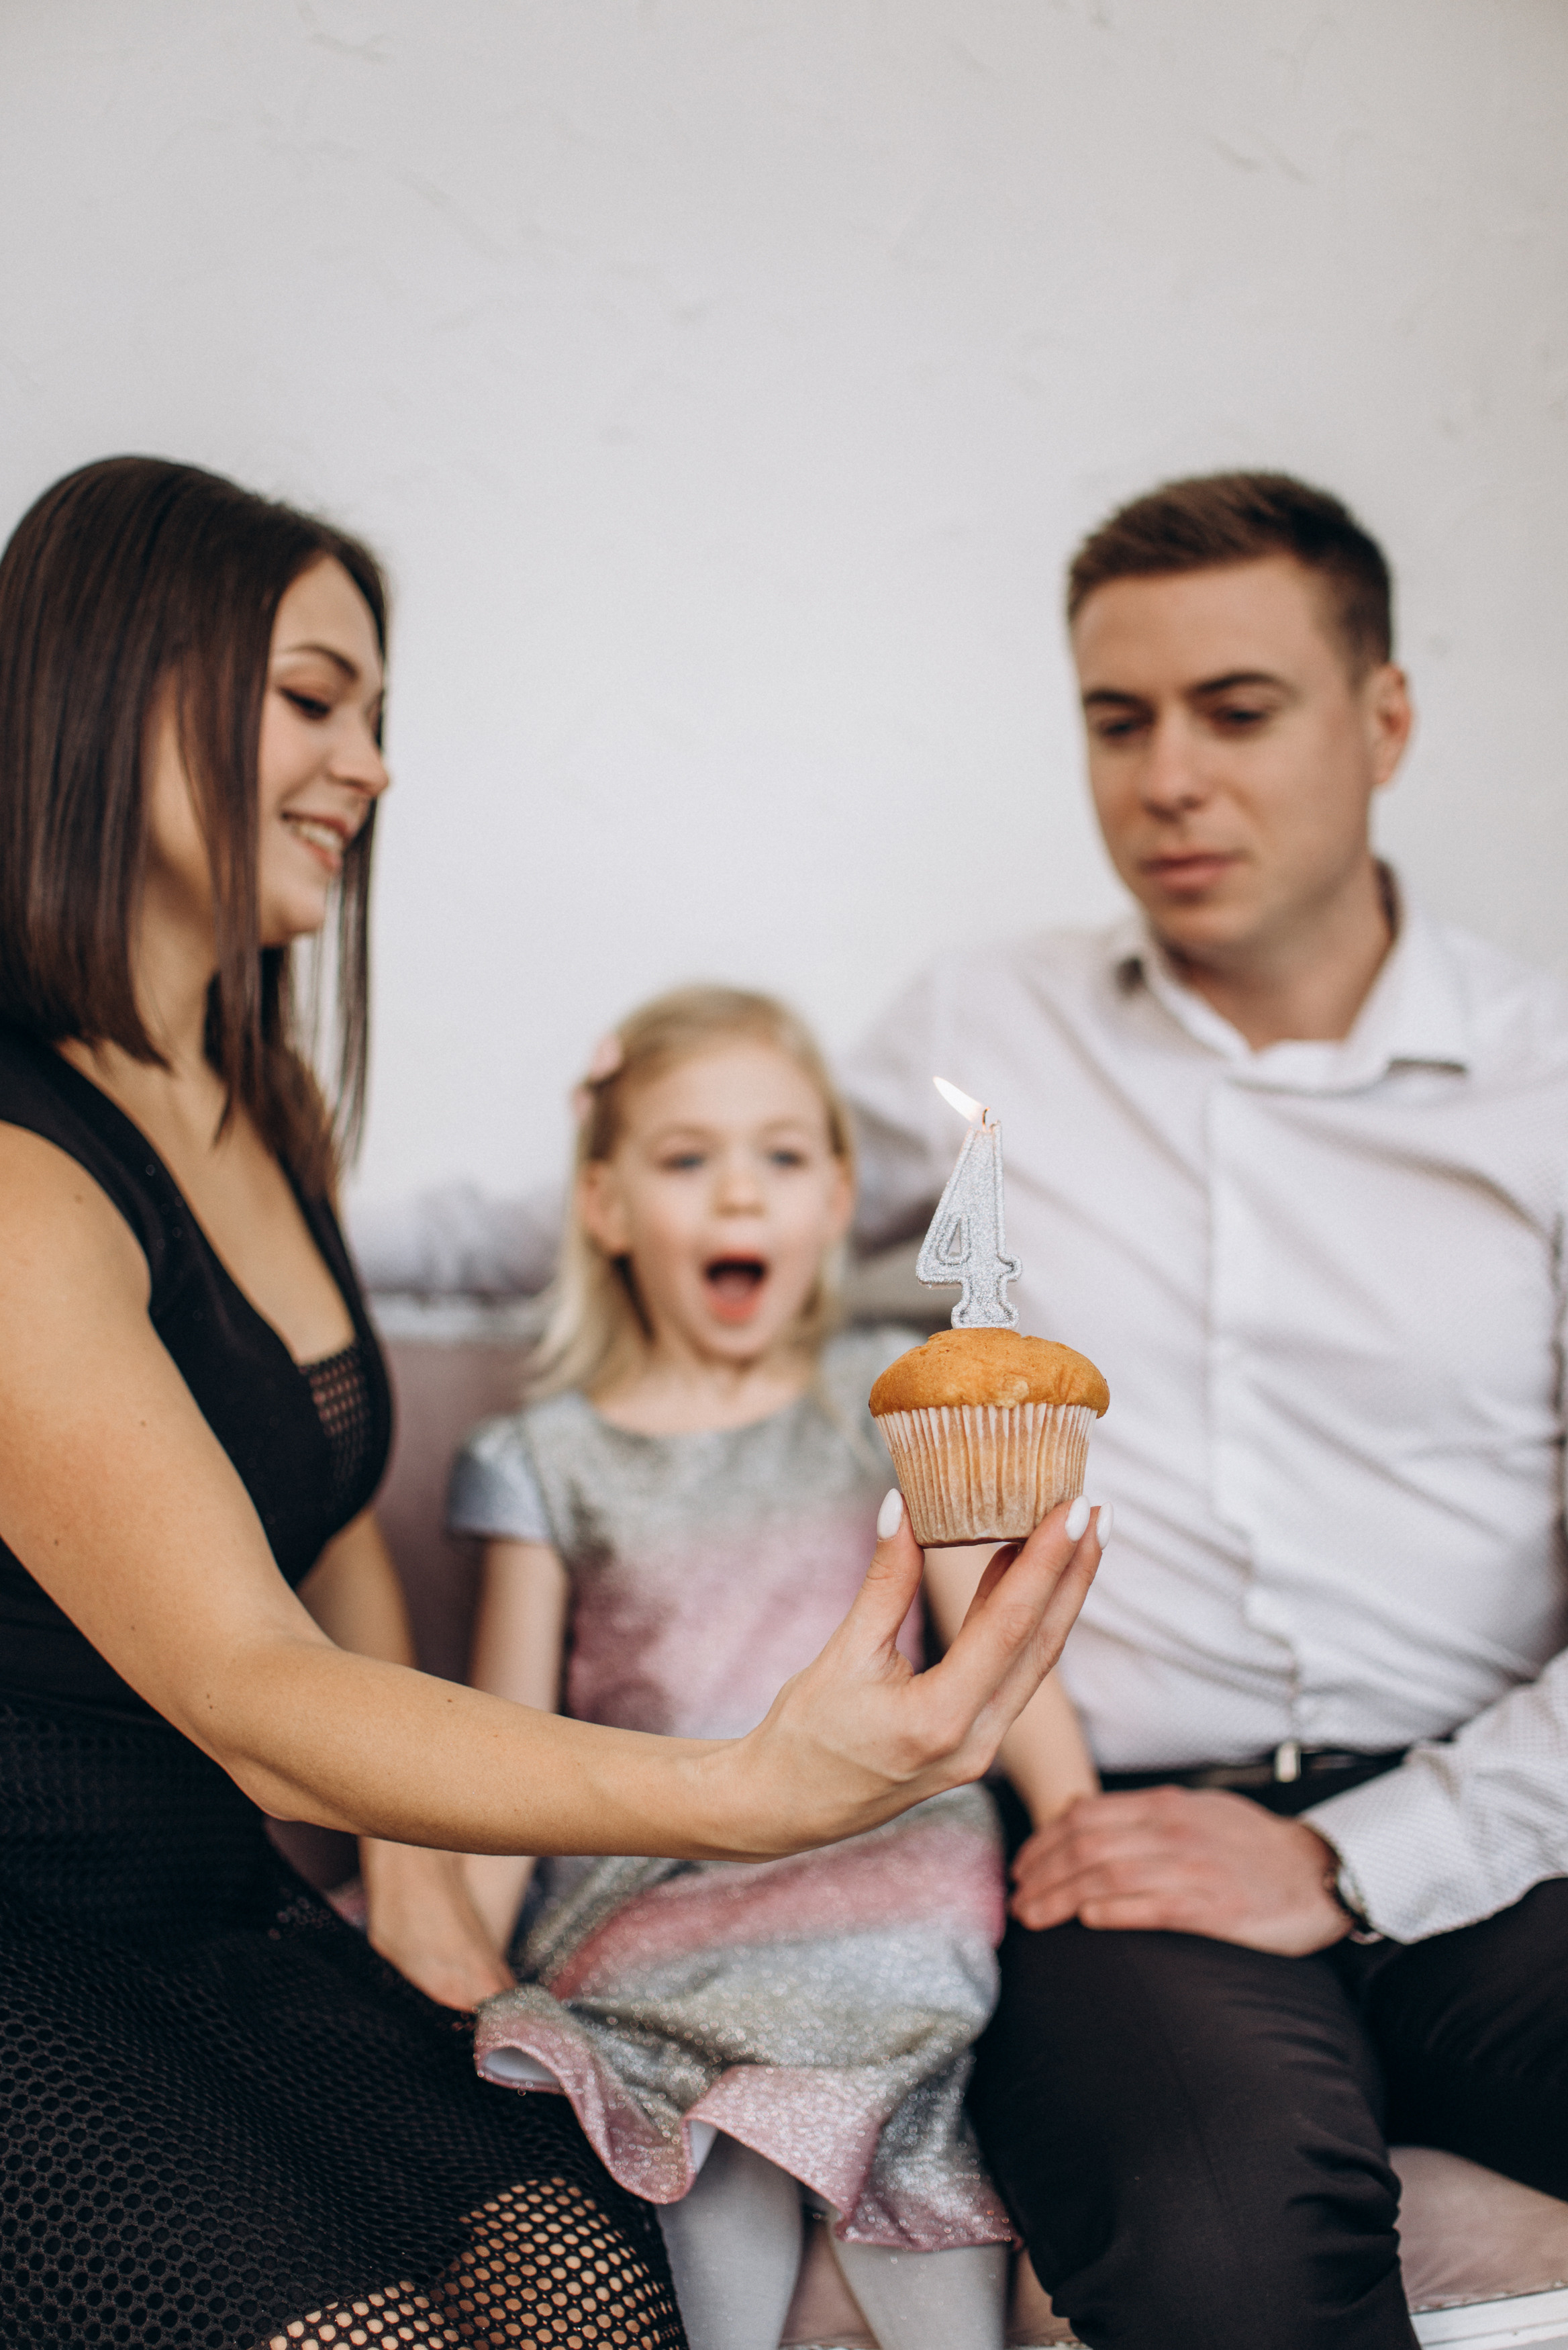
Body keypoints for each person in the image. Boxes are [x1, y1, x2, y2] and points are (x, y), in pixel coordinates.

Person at [0, 456, 1106, 2350]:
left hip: (224, 1926)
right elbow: (256, 1693)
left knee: (596, 2309)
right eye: (316, 698)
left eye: (380, 711)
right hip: (35, 1966)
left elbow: (329, 1517)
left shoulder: (261, 1101)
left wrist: (426, 1884)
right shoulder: (21, 1176)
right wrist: (754, 1787)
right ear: (121, 683)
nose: (373, 761)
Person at [838, 471, 1568, 2349]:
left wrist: (1357, 1853)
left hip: (1508, 1818)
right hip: (1123, 1845)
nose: (1168, 776)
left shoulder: (1546, 1082)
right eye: (1118, 718)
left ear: (1383, 720)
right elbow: (695, 1176)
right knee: (1219, 2259)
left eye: (1237, 711)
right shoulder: (986, 1032)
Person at [444, 983, 1104, 2350]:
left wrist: (1082, 1818)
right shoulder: (545, 1455)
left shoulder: (897, 1399)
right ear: (608, 1202)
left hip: (883, 1853)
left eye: (782, 1157)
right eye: (687, 1158)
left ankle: (899, 2282)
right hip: (660, 1868)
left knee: (892, 1987)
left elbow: (995, 1657)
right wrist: (448, 1945)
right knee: (673, 2063)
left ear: (839, 1197)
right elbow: (501, 1742)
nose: (739, 1195)